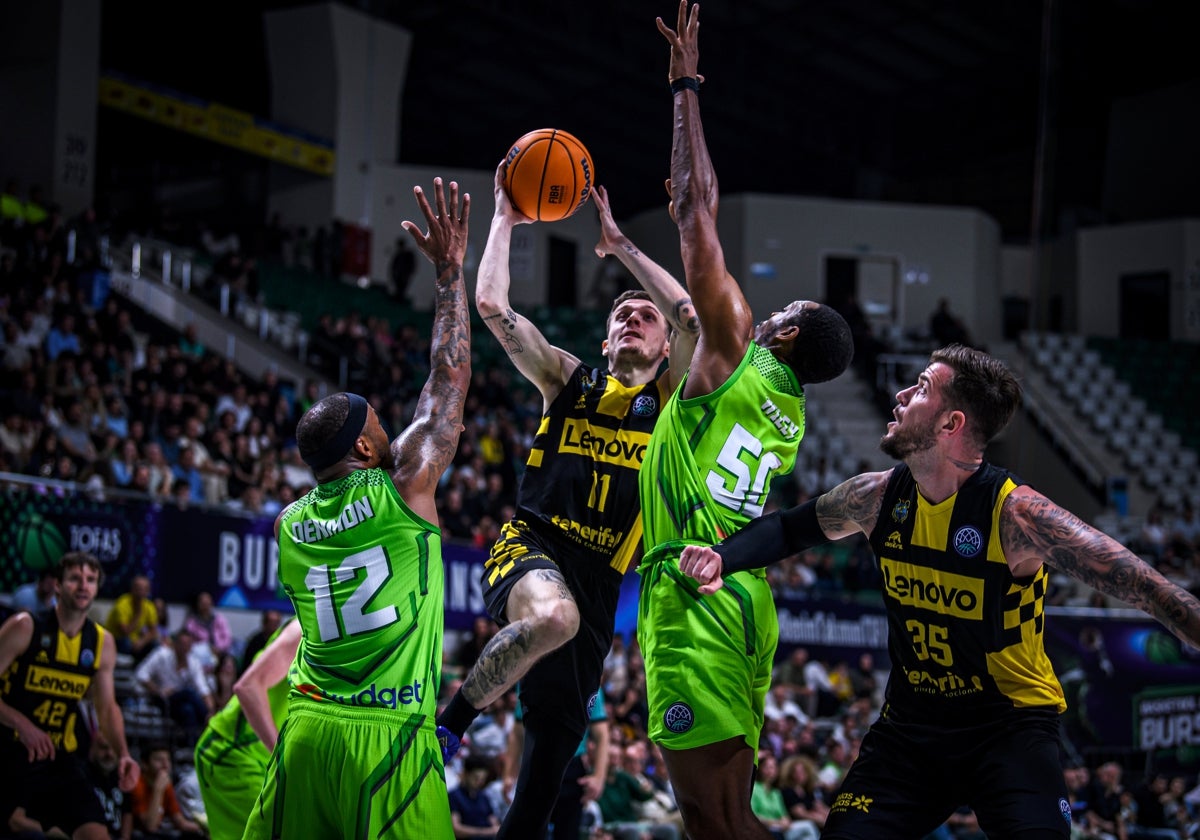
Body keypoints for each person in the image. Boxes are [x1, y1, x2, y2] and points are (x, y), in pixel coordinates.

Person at [678, 343, 1200, 838]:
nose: (902, 395)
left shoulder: (1015, 514)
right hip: (911, 727)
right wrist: (724, 556)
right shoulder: (876, 497)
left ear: (952, 423)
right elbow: (791, 529)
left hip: (1008, 726)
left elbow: (1146, 586)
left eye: (922, 387)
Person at [637, 5, 855, 839]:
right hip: (742, 593)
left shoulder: (738, 353)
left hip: (696, 589)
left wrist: (685, 87)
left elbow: (697, 211)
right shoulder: (786, 409)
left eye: (785, 306)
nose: (768, 306)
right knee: (709, 823)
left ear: (786, 332)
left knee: (717, 822)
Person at [435, 168, 700, 840]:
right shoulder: (567, 380)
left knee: (554, 753)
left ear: (664, 347)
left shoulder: (671, 406)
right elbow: (494, 308)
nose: (635, 318)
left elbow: (692, 315)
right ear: (605, 341)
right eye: (621, 316)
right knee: (552, 617)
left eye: (646, 316)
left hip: (603, 578)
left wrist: (621, 246)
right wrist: (503, 215)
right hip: (532, 544)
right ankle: (447, 727)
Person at [242, 176, 471, 839]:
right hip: (391, 738)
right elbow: (447, 379)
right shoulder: (404, 485)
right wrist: (450, 273)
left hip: (308, 734)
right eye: (381, 424)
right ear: (370, 448)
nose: (392, 427)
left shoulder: (288, 525)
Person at [0, 552, 140, 840]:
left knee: (96, 834)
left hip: (57, 756)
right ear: (58, 586)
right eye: (75, 578)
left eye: (90, 580)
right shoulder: (25, 626)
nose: (83, 586)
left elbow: (106, 707)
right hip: (8, 751)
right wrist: (22, 725)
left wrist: (124, 753)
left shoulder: (102, 642)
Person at [193, 619, 301, 840]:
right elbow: (248, 687)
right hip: (231, 751)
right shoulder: (304, 628)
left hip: (259, 757)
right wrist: (281, 759)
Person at [134, 627, 214, 746]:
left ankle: (191, 748)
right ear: (175, 644)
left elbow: (203, 689)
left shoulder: (193, 663)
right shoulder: (161, 655)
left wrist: (211, 711)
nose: (184, 648)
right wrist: (158, 690)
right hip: (160, 698)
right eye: (182, 644)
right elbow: (141, 674)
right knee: (188, 693)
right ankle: (213, 723)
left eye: (188, 645)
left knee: (188, 711)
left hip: (179, 703)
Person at [128, 743, 204, 838]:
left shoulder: (166, 786)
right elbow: (150, 826)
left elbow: (180, 822)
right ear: (144, 764)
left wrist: (207, 827)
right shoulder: (137, 785)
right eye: (159, 760)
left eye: (168, 760)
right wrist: (158, 790)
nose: (165, 765)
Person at [104, 574, 159, 663]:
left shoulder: (149, 606)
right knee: (126, 642)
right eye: (138, 588)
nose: (141, 592)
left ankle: (142, 668)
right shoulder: (122, 603)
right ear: (132, 589)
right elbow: (125, 632)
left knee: (155, 644)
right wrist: (138, 614)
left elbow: (153, 631)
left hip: (135, 641)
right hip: (116, 639)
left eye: (144, 589)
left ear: (148, 591)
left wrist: (142, 642)